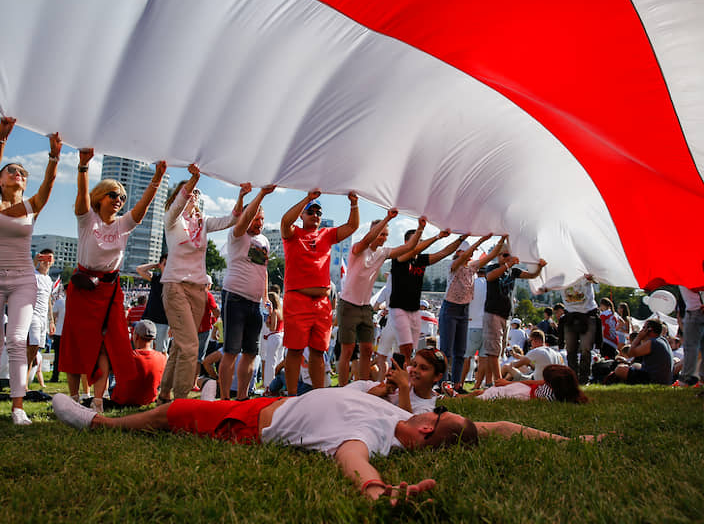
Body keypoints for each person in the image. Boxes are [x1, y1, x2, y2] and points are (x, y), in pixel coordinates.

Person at [53, 385, 606, 502]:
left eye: (437, 413)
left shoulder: (369, 438)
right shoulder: (397, 414)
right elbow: (502, 429)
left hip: (252, 421)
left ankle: (99, 426)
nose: (430, 408)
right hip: (271, 399)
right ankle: (101, 419)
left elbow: (352, 458)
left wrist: (374, 490)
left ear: (429, 432)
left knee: (174, 412)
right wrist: (575, 439)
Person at [61, 148, 166, 413]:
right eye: (113, 195)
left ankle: (98, 399)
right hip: (83, 287)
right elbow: (81, 198)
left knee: (106, 345)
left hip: (109, 289)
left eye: (122, 197)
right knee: (75, 342)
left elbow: (140, 211)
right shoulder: (88, 220)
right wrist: (83, 168)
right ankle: (74, 398)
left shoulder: (122, 225)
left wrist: (156, 179)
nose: (119, 200)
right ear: (99, 198)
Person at [0, 118, 61, 425]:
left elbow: (49, 186)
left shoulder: (30, 207)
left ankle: (18, 407)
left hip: (23, 281)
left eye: (23, 173)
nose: (18, 174)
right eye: (12, 171)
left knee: (17, 340)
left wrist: (54, 157)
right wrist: (1, 139)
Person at [157, 164, 248, 402]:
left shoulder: (203, 222)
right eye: (189, 193)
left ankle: (164, 395)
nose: (194, 196)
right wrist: (193, 180)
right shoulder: (172, 221)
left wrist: (241, 197)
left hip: (198, 289)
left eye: (197, 194)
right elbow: (178, 206)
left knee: (180, 345)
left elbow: (232, 219)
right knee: (190, 346)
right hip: (175, 285)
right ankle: (181, 401)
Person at [280, 190, 359, 395]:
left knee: (318, 352)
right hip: (297, 300)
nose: (315, 214)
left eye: (318, 212)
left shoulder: (327, 234)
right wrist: (307, 199)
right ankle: (291, 395)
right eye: (310, 211)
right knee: (295, 350)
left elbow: (352, 226)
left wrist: (354, 204)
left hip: (322, 303)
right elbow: (285, 221)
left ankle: (318, 396)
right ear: (302, 215)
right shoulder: (293, 234)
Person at [337, 208, 422, 385]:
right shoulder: (358, 249)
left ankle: (363, 386)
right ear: (371, 231)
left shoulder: (383, 253)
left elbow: (408, 247)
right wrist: (386, 219)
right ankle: (342, 387)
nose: (383, 237)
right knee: (347, 350)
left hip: (365, 307)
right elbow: (367, 240)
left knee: (367, 349)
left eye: (386, 235)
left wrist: (420, 229)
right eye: (380, 233)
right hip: (348, 305)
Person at [219, 185, 275, 400]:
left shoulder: (264, 241)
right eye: (256, 218)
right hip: (234, 297)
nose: (259, 223)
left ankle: (242, 397)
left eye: (262, 220)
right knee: (231, 351)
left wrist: (266, 297)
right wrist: (259, 195)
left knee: (251, 352)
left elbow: (263, 270)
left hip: (254, 303)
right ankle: (224, 398)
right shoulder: (237, 234)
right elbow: (243, 221)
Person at [389, 225, 465, 366]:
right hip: (399, 308)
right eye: (417, 241)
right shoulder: (399, 256)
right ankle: (400, 379)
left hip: (414, 310)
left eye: (420, 241)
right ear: (407, 243)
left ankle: (401, 376)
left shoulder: (421, 259)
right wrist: (437, 237)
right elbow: (416, 249)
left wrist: (461, 239)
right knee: (405, 348)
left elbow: (443, 253)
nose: (420, 244)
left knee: (410, 349)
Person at [438, 234, 501, 387]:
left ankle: (457, 384)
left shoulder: (472, 267)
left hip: (463, 310)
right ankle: (442, 383)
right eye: (464, 252)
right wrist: (480, 241)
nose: (469, 254)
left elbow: (491, 255)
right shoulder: (453, 265)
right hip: (450, 308)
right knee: (446, 350)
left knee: (460, 351)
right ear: (457, 253)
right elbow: (464, 257)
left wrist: (502, 240)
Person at [480, 244, 546, 386]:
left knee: (499, 350)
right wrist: (506, 265)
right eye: (504, 255)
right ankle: (498, 381)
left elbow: (532, 275)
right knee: (493, 350)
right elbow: (490, 277)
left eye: (509, 255)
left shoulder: (513, 271)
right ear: (498, 256)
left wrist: (539, 267)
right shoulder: (492, 268)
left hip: (506, 315)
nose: (507, 258)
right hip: (492, 313)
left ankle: (490, 382)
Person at [553, 275, 600, 384]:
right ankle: (573, 378)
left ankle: (584, 379)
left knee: (585, 348)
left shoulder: (583, 271)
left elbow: (597, 278)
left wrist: (591, 278)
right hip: (570, 316)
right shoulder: (561, 276)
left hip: (587, 315)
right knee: (570, 349)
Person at [109, 320, 167, 407]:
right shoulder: (162, 358)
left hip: (123, 400)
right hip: (148, 399)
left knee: (112, 374)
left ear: (136, 336)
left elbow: (110, 371)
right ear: (153, 338)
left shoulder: (128, 357)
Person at [476, 364, 588, 403]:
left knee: (494, 393)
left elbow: (534, 399)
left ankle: (469, 396)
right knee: (493, 390)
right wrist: (508, 383)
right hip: (526, 388)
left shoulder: (549, 397)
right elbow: (532, 382)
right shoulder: (558, 386)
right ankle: (475, 394)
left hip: (526, 393)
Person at [607, 320, 673, 385]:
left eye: (644, 328)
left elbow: (630, 353)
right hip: (662, 380)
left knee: (620, 369)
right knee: (635, 365)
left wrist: (639, 337)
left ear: (649, 330)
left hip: (653, 380)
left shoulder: (653, 342)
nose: (641, 330)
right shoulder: (662, 340)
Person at [27, 249, 55, 390]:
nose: (47, 262)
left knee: (35, 350)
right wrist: (34, 262)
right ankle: (23, 383)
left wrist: (51, 320)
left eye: (50, 259)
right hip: (32, 315)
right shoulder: (33, 275)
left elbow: (49, 300)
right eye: (44, 259)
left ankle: (24, 381)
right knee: (31, 347)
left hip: (43, 317)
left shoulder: (49, 279)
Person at [136, 254, 171, 354]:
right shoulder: (155, 278)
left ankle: (162, 370)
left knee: (162, 351)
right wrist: (155, 265)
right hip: (148, 319)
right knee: (144, 350)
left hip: (164, 322)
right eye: (165, 264)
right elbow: (139, 269)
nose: (167, 267)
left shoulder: (174, 282)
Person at [678, 286, 704, 386]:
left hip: (694, 311)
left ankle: (685, 379)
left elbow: (694, 287)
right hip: (697, 310)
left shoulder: (686, 275)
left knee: (690, 347)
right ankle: (702, 379)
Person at [261, 292, 284, 389]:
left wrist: (267, 323)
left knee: (270, 362)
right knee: (279, 360)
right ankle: (279, 383)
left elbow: (273, 328)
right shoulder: (280, 311)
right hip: (281, 336)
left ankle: (269, 384)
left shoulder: (274, 312)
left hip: (274, 337)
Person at [49, 284, 67, 383]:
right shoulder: (76, 302)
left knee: (57, 357)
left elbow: (54, 315)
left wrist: (53, 324)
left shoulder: (60, 302)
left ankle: (55, 376)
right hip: (69, 334)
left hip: (59, 332)